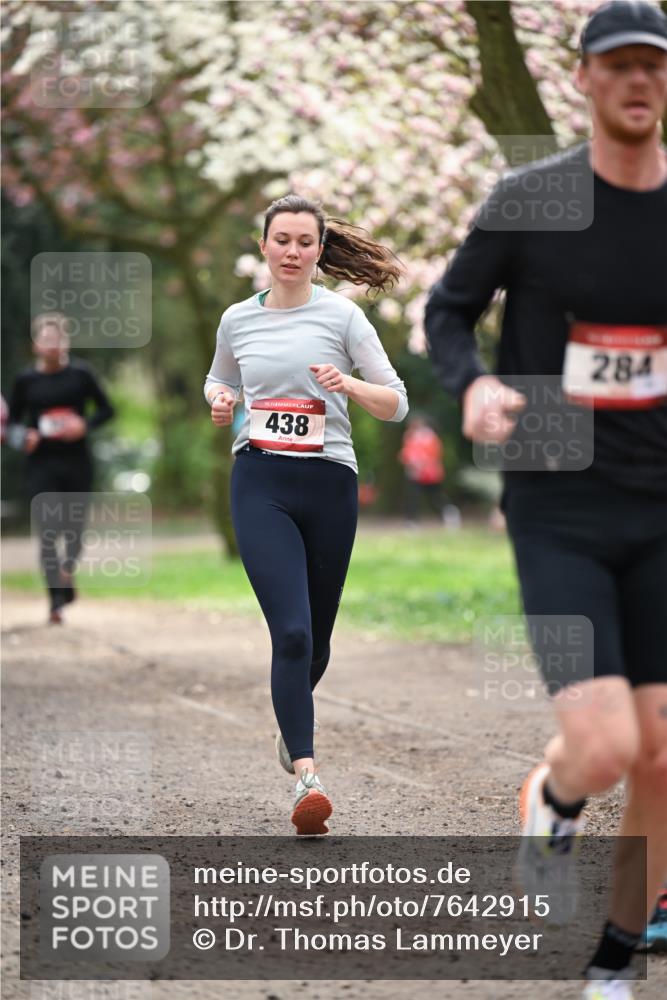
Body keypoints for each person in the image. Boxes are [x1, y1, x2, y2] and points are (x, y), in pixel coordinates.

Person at [425, 3, 667, 997]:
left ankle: (616, 954)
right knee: (607, 746)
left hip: (662, 502)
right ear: (581, 80)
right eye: (617, 65)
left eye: (654, 64)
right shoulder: (531, 201)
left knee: (661, 747)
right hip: (558, 502)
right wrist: (474, 383)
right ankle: (552, 792)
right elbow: (447, 311)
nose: (637, 80)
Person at [204, 194, 408, 836]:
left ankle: (290, 721)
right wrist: (220, 400)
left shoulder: (343, 318)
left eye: (304, 242)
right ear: (263, 245)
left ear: (321, 251)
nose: (292, 252)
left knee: (315, 638)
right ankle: (307, 775)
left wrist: (348, 386)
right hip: (260, 478)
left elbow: (395, 403)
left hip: (329, 483)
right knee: (290, 633)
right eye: (281, 240)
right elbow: (219, 379)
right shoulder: (237, 319)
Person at [7, 313, 114, 624]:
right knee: (48, 531)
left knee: (74, 532)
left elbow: (107, 409)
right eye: (46, 339)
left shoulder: (81, 375)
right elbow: (11, 423)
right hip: (41, 464)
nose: (53, 345)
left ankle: (66, 573)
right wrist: (22, 437)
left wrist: (84, 424)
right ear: (35, 345)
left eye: (58, 339)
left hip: (76, 462)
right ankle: (55, 600)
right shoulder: (26, 380)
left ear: (65, 343)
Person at [398, 415, 460, 527]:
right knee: (412, 497)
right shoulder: (410, 436)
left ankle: (448, 513)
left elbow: (434, 454)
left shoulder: (430, 437)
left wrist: (422, 462)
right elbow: (406, 453)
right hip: (414, 473)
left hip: (429, 473)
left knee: (435, 497)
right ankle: (410, 520)